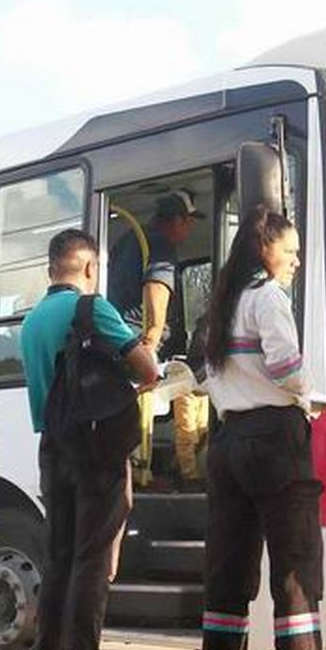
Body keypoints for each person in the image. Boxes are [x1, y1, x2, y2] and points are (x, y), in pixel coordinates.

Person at [200, 207, 326, 650]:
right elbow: (285, 368)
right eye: (290, 251)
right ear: (264, 250)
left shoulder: (220, 304)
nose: (295, 261)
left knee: (228, 577)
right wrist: (315, 392)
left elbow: (209, 375)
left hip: (228, 440)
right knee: (297, 575)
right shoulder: (268, 297)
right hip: (277, 439)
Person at [21, 229, 159, 650]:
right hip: (97, 449)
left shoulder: (31, 321)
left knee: (57, 561)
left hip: (51, 448)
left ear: (50, 269)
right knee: (93, 562)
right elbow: (148, 370)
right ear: (89, 268)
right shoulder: (92, 308)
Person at [108, 189, 208, 483]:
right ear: (175, 220)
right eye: (188, 221)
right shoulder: (160, 244)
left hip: (123, 342)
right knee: (195, 386)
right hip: (142, 345)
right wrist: (150, 342)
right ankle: (186, 472)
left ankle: (160, 469)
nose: (190, 228)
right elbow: (156, 289)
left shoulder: (128, 241)